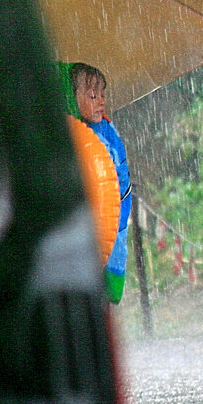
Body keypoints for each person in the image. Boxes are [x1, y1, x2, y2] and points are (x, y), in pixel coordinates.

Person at [69, 62, 132, 304]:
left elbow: (122, 171)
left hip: (116, 209)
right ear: (72, 98)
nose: (101, 101)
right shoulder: (74, 130)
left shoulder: (107, 130)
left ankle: (109, 302)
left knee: (116, 257)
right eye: (93, 96)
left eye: (103, 95)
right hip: (88, 216)